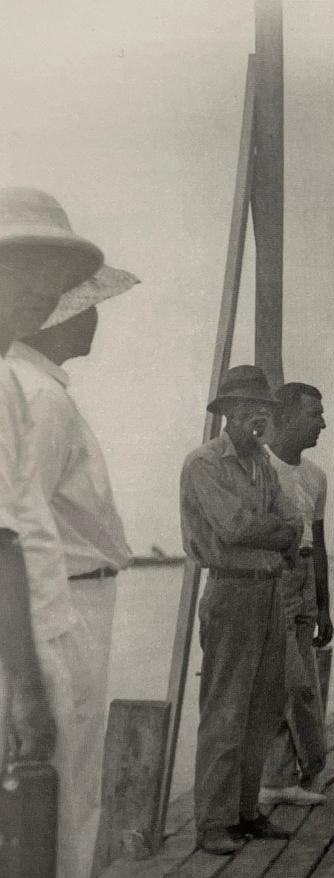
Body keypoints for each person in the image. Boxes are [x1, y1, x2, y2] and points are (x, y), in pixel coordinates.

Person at [0, 187, 128, 878]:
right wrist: (24, 679)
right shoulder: (35, 395)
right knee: (58, 800)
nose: (82, 312)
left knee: (58, 797)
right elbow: (15, 529)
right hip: (53, 612)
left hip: (54, 608)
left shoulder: (29, 387)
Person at [180, 365, 303, 854]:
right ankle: (212, 822)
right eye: (250, 406)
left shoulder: (264, 463)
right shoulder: (204, 463)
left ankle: (247, 812)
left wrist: (277, 531)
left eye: (266, 408)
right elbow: (234, 528)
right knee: (225, 709)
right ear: (227, 411)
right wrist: (278, 532)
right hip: (231, 593)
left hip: (270, 593)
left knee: (264, 708)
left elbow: (292, 521)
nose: (260, 414)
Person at [259, 382, 334, 807]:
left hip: (305, 576)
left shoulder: (316, 476)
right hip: (273, 577)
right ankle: (303, 769)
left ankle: (286, 778)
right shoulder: (260, 469)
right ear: (285, 416)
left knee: (303, 679)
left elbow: (319, 543)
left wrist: (324, 605)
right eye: (314, 414)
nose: (322, 423)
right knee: (290, 684)